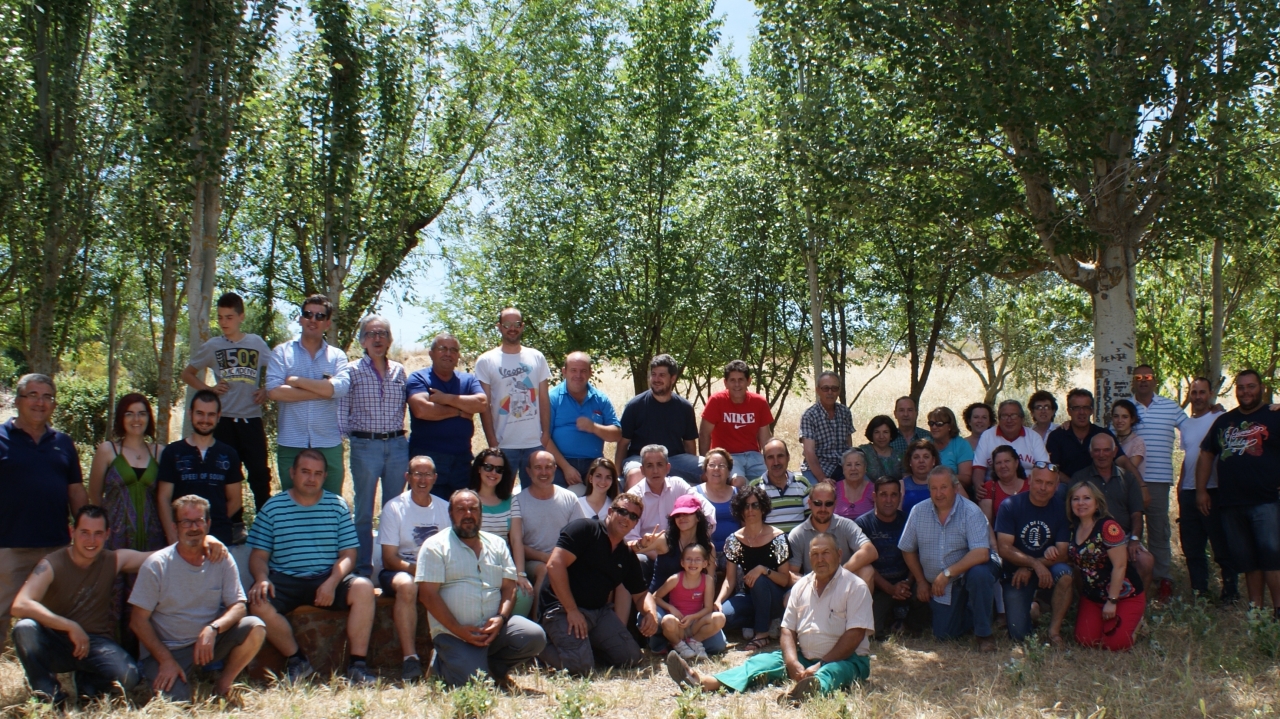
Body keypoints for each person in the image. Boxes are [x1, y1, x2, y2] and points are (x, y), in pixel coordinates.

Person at [666, 533, 874, 703]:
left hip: (847, 660)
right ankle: (703, 681)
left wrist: (821, 664)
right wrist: (792, 661)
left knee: (833, 673)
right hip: (805, 657)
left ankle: (810, 690)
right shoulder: (801, 586)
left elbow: (854, 635)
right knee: (758, 663)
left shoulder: (854, 586)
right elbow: (787, 630)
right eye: (815, 554)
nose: (820, 559)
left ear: (839, 555)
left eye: (826, 553)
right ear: (809, 558)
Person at [246, 449, 377, 685]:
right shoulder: (273, 508)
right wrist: (262, 578)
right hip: (286, 578)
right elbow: (258, 556)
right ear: (292, 473)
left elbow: (349, 554)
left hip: (326, 577)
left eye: (317, 473)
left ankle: (358, 666)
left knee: (364, 588)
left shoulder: (336, 505)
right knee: (258, 602)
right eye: (305, 472)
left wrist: (331, 582)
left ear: (325, 476)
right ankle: (297, 661)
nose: (311, 478)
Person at [130, 495, 265, 702]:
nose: (193, 527)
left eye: (199, 521)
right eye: (186, 521)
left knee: (255, 627)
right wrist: (165, 660)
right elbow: (138, 621)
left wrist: (213, 628)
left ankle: (223, 685)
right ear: (175, 527)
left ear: (208, 524)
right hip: (168, 649)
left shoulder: (220, 558)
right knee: (177, 705)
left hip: (207, 644)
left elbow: (239, 606)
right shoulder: (157, 565)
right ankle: (170, 676)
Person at [10, 506, 145, 705]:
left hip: (94, 643)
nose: (91, 541)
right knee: (24, 629)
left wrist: (205, 540)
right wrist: (69, 626)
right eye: (85, 533)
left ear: (107, 534)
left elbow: (161, 557)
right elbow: (19, 605)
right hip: (54, 640)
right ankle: (48, 694)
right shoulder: (51, 564)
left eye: (98, 534)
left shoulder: (114, 560)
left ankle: (88, 684)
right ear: (72, 532)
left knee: (129, 677)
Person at [417, 489, 547, 689]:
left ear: (481, 513)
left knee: (533, 636)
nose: (468, 514)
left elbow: (509, 587)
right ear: (450, 514)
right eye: (461, 509)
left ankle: (490, 668)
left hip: (492, 631)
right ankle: (443, 663)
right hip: (453, 633)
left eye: (473, 509)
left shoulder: (497, 544)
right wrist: (460, 630)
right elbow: (428, 595)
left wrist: (501, 618)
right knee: (475, 686)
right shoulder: (435, 546)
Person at [0, 374, 88, 649]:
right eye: (33, 395)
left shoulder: (63, 442)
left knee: (56, 615)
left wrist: (86, 531)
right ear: (18, 401)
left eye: (47, 396)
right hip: (9, 546)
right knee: (1, 611)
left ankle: (52, 676)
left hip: (55, 546)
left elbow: (75, 490)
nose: (40, 402)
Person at [539, 495, 658, 674]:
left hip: (598, 613)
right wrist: (572, 610)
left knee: (631, 658)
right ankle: (539, 647)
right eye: (623, 511)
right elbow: (555, 565)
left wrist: (651, 613)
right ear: (610, 511)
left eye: (633, 516)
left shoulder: (626, 555)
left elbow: (641, 594)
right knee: (580, 670)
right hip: (562, 609)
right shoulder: (585, 529)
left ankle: (581, 649)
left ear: (635, 524)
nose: (627, 518)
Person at [1197, 369, 1280, 616]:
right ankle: (1256, 612)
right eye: (1241, 387)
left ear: (1262, 388)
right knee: (1248, 562)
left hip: (1267, 501)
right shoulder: (1224, 421)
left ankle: (1278, 611)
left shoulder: (1274, 416)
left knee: (1272, 560)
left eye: (1251, 386)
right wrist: (1201, 490)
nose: (1246, 392)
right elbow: (1206, 454)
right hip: (1231, 503)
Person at [180, 292, 273, 512]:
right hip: (224, 421)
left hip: (251, 418)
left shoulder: (256, 343)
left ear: (241, 316)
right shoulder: (213, 345)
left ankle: (265, 525)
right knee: (227, 474)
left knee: (259, 473)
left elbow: (279, 369)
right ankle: (233, 523)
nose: (224, 322)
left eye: (229, 317)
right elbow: (188, 374)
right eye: (220, 317)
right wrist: (209, 389)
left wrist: (267, 390)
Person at [338, 315, 410, 577]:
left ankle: (391, 568)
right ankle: (362, 571)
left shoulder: (399, 371)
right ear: (362, 341)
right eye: (371, 334)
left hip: (397, 446)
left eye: (382, 333)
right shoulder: (352, 370)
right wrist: (351, 439)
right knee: (364, 512)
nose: (377, 338)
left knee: (393, 511)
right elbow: (341, 408)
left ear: (390, 340)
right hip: (365, 446)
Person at [899, 466, 999, 651]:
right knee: (944, 635)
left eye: (943, 487)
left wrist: (947, 573)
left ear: (955, 487)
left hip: (968, 572)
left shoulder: (971, 511)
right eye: (934, 488)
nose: (938, 493)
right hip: (943, 585)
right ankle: (980, 609)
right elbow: (907, 549)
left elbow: (981, 553)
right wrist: (921, 581)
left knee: (979, 574)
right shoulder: (918, 511)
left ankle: (984, 634)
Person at [265, 294, 352, 494]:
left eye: (320, 316)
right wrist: (322, 390)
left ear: (327, 323)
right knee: (292, 503)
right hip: (291, 442)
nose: (313, 320)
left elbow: (339, 389)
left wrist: (296, 381)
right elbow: (274, 391)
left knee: (331, 503)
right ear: (300, 319)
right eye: (308, 314)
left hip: (328, 442)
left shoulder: (337, 356)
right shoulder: (281, 353)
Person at [377, 455, 450, 680]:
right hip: (400, 571)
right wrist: (420, 571)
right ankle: (410, 659)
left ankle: (446, 653)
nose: (422, 479)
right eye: (417, 474)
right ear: (407, 477)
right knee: (407, 586)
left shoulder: (445, 508)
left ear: (435, 478)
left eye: (427, 474)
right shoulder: (394, 507)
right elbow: (389, 558)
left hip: (435, 572)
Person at [639, 496, 728, 656]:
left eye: (687, 514)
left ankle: (682, 642)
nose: (682, 518)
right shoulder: (664, 540)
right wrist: (642, 544)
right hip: (662, 604)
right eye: (678, 515)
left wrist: (705, 611)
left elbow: (710, 580)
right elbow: (636, 550)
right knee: (656, 620)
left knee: (717, 646)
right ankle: (667, 642)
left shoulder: (708, 547)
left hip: (691, 610)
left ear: (698, 517)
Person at [1131, 363, 1190, 602]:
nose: (1143, 380)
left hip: (1159, 479)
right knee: (1129, 533)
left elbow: (1192, 428)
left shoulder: (1170, 407)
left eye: (1148, 377)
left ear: (1155, 380)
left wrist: (1215, 413)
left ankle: (1162, 580)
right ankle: (1133, 580)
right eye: (1138, 377)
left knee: (1159, 532)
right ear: (1133, 381)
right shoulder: (1125, 407)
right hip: (1129, 482)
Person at [476, 308, 553, 490]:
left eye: (516, 324)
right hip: (504, 445)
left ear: (522, 326)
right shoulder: (486, 361)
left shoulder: (537, 357)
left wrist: (546, 434)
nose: (512, 328)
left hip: (534, 443)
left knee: (536, 497)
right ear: (499, 327)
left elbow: (543, 398)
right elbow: (484, 405)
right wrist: (492, 441)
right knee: (500, 496)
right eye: (507, 324)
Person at [994, 466, 1072, 644]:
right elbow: (1004, 548)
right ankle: (1035, 608)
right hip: (1016, 574)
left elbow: (1062, 553)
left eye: (1049, 483)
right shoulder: (1010, 506)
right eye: (1039, 481)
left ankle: (1054, 631)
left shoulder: (1061, 509)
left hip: (1050, 568)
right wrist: (1035, 564)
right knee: (1018, 635)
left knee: (1066, 575)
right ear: (1029, 480)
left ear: (1057, 486)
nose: (1043, 488)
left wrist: (1032, 565)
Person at [406, 332, 487, 500]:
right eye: (443, 348)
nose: (448, 354)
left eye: (453, 350)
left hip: (461, 461)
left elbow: (481, 403)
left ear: (458, 356)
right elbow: (422, 410)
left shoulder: (468, 380)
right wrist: (459, 411)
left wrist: (445, 399)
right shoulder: (419, 378)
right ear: (431, 353)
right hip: (427, 461)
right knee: (426, 512)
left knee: (461, 511)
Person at [157, 391, 244, 546]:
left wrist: (212, 522)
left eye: (210, 414)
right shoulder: (172, 452)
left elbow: (235, 500)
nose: (205, 420)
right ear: (190, 414)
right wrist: (171, 534)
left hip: (218, 540)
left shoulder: (229, 454)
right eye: (200, 413)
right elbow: (163, 498)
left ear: (218, 416)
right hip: (181, 539)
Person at [1067, 481, 1146, 651]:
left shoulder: (1108, 527)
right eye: (1076, 499)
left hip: (1123, 595)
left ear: (1097, 503)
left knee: (1115, 644)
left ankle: (1137, 623)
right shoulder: (1073, 528)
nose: (1081, 503)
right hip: (1093, 596)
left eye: (1087, 498)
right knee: (1085, 640)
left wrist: (1112, 601)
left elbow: (1120, 565)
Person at [1177, 377, 1236, 602]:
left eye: (1202, 392)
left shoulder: (1221, 418)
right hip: (1189, 493)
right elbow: (1188, 456)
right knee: (1192, 548)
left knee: (1221, 545)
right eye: (1194, 392)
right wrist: (1182, 487)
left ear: (1211, 394)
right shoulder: (1187, 424)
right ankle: (1199, 593)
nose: (1198, 397)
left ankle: (1230, 592)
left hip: (1214, 490)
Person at [1072, 434, 1155, 589]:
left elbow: (1136, 514)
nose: (1101, 455)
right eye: (1097, 450)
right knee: (1077, 565)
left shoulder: (1128, 478)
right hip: (1091, 540)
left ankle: (1137, 606)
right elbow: (1073, 515)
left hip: (1124, 538)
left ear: (1115, 451)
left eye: (1106, 450)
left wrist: (1135, 540)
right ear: (1090, 453)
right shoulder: (1080, 477)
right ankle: (1088, 603)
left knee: (1146, 561)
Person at [86, 393, 165, 552]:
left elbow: (165, 498)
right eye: (129, 414)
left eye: (141, 414)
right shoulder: (108, 451)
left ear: (148, 417)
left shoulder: (159, 453)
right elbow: (94, 495)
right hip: (115, 539)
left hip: (153, 539)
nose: (136, 419)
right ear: (121, 418)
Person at [718, 484, 791, 653]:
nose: (750, 510)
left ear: (763, 508)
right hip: (748, 596)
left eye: (755, 505)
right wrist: (718, 601)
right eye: (746, 505)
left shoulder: (778, 538)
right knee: (723, 618)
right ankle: (764, 620)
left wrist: (763, 570)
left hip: (775, 596)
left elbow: (785, 579)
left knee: (759, 580)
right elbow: (730, 580)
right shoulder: (733, 540)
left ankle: (762, 633)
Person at [855, 477, 928, 637]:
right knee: (872, 629)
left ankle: (906, 623)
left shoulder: (908, 520)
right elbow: (863, 565)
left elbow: (917, 554)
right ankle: (893, 622)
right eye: (883, 495)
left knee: (926, 599)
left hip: (907, 585)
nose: (889, 500)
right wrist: (890, 588)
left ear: (900, 497)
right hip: (879, 588)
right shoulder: (863, 524)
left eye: (894, 495)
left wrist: (908, 582)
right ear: (874, 497)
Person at [617, 354, 701, 487]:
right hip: (640, 459)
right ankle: (631, 508)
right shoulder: (635, 405)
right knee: (635, 475)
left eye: (661, 375)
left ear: (672, 378)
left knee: (712, 469)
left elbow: (689, 444)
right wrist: (617, 475)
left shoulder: (684, 407)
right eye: (653, 374)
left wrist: (691, 468)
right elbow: (622, 443)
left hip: (674, 459)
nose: (656, 379)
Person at [468, 449, 535, 616]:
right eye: (489, 467)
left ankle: (510, 634)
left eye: (499, 469)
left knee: (525, 593)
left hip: (503, 566)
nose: (493, 473)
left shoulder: (511, 501)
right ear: (479, 468)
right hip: (473, 566)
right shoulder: (468, 499)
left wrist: (520, 574)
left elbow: (516, 540)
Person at [516, 450, 587, 607]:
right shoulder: (518, 502)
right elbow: (516, 543)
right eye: (538, 467)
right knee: (546, 570)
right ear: (528, 471)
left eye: (548, 467)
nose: (543, 472)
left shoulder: (569, 498)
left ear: (555, 468)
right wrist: (546, 557)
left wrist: (562, 559)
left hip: (565, 559)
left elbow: (581, 537)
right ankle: (538, 624)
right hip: (533, 561)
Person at [546, 352, 621, 495]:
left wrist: (594, 427)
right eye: (573, 370)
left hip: (593, 463)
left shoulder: (601, 399)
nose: (578, 375)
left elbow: (616, 434)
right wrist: (566, 468)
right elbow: (544, 437)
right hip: (560, 463)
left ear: (590, 373)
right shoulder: (552, 398)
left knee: (612, 494)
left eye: (583, 371)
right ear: (564, 372)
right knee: (555, 499)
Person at [623, 445, 717, 548]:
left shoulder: (678, 485)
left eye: (659, 465)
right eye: (649, 465)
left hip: (681, 550)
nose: (655, 471)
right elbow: (630, 539)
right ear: (642, 470)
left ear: (668, 468)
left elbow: (708, 510)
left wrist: (698, 539)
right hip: (647, 552)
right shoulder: (634, 496)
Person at [699, 360, 773, 485]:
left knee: (771, 480)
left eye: (741, 380)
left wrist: (771, 460)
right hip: (728, 457)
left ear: (748, 381)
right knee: (738, 482)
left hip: (754, 456)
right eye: (732, 380)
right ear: (725, 383)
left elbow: (765, 438)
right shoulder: (717, 401)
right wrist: (706, 464)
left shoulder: (759, 402)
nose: (737, 384)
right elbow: (704, 433)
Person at [787, 482, 877, 584]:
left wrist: (840, 573)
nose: (823, 509)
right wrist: (816, 583)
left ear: (835, 504)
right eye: (818, 503)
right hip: (814, 588)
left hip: (843, 584)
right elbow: (792, 573)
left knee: (867, 570)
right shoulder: (798, 534)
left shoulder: (846, 525)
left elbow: (870, 551)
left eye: (828, 503)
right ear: (810, 504)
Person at [1044, 388, 1136, 483]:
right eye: (1076, 408)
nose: (1082, 412)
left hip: (1100, 487)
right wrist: (1075, 485)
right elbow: (1053, 469)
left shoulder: (1103, 435)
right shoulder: (1057, 436)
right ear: (1069, 411)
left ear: (1092, 410)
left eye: (1086, 408)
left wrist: (1142, 485)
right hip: (1067, 486)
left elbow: (1123, 461)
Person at [653, 543, 724, 662]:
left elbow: (707, 608)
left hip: (695, 624)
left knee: (720, 618)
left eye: (697, 560)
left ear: (705, 563)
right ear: (682, 563)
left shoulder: (707, 580)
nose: (693, 563)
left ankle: (694, 641)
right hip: (678, 624)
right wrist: (671, 608)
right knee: (667, 620)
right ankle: (678, 644)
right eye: (689, 559)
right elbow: (655, 597)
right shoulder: (675, 579)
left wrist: (692, 617)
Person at [972, 399, 1049, 487]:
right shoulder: (987, 435)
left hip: (1028, 488)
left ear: (1022, 418)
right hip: (995, 487)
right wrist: (978, 485)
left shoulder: (1034, 437)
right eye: (1004, 416)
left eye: (1013, 415)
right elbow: (979, 467)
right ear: (999, 419)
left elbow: (1043, 467)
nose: (1009, 420)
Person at [799, 371, 855, 485]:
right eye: (825, 388)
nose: (830, 392)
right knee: (818, 495)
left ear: (839, 391)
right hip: (817, 467)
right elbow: (809, 452)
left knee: (864, 489)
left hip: (842, 466)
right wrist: (822, 479)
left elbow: (849, 444)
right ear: (818, 390)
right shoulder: (809, 415)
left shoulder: (845, 412)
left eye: (834, 388)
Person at [750, 439, 811, 533]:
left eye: (780, 456)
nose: (776, 462)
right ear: (764, 461)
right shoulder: (755, 488)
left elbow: (811, 519)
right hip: (769, 546)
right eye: (770, 457)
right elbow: (751, 524)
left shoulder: (802, 483)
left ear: (788, 457)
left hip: (799, 545)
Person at [693, 449, 739, 561]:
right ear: (705, 470)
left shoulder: (738, 494)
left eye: (722, 465)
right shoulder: (694, 493)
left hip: (734, 553)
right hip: (705, 554)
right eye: (712, 465)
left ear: (729, 471)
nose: (716, 469)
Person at [979, 445, 1029, 528]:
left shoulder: (1030, 485)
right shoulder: (989, 488)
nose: (1003, 466)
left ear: (1016, 463)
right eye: (998, 463)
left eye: (1007, 461)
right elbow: (986, 525)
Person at [928, 406, 973, 484]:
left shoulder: (961, 445)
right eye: (931, 423)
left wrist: (943, 478)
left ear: (950, 426)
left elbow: (966, 479)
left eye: (939, 424)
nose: (934, 427)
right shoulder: (925, 444)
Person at [899, 439, 939, 516]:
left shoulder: (947, 483)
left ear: (933, 460)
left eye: (926, 457)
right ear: (910, 461)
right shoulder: (901, 485)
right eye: (916, 457)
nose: (921, 461)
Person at [858, 415, 903, 482]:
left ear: (891, 434)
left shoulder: (900, 455)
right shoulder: (862, 452)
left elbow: (906, 479)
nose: (881, 436)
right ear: (871, 434)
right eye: (877, 432)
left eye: (885, 432)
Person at [1110, 399, 1146, 480]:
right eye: (1116, 416)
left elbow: (1128, 470)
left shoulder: (1137, 442)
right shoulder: (1111, 440)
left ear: (1132, 419)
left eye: (1124, 417)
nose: (1119, 420)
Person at [834, 449, 874, 521]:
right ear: (843, 469)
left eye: (857, 464)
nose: (853, 468)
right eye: (849, 465)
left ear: (865, 468)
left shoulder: (874, 490)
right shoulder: (834, 489)